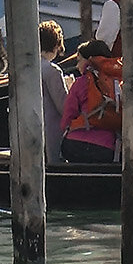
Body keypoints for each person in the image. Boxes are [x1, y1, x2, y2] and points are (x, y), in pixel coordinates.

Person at [60, 39, 119, 163]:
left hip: (75, 144)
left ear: (89, 60)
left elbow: (68, 116)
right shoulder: (118, 83)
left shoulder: (81, 82)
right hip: (106, 147)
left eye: (79, 60)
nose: (77, 66)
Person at [39, 20, 69, 163]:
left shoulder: (28, 67)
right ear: (55, 45)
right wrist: (70, 87)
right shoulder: (52, 71)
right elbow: (63, 107)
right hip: (51, 131)